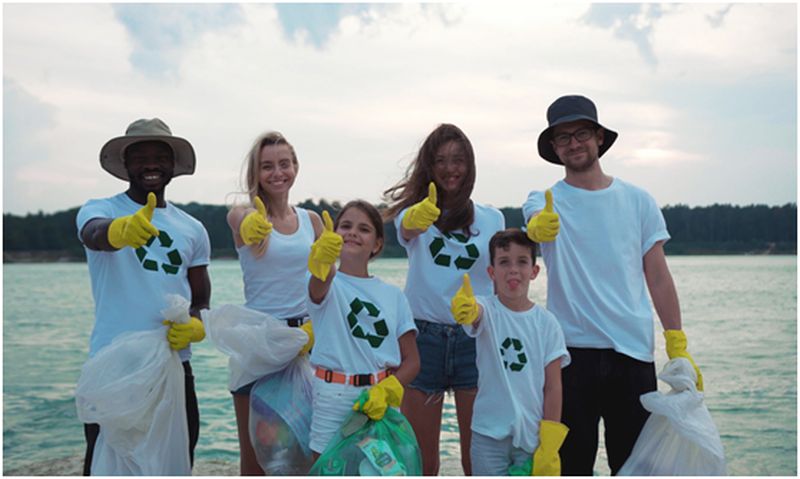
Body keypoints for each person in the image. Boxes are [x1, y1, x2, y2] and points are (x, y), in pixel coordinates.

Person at [522, 94, 703, 475]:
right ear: (554, 148)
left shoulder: (638, 200)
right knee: (571, 465)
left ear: (599, 137)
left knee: (636, 465)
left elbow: (657, 276)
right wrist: (537, 227)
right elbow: (534, 217)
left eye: (581, 133)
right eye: (563, 137)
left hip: (632, 354)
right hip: (569, 354)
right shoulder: (545, 199)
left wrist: (677, 342)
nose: (573, 143)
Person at [76, 118, 211, 475]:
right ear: (125, 166)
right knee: (105, 460)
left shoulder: (192, 228)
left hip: (174, 365)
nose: (151, 164)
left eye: (159, 156)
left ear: (172, 166)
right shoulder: (100, 209)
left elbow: (201, 299)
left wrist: (197, 327)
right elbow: (93, 234)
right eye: (140, 156)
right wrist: (119, 232)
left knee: (177, 459)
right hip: (114, 367)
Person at [383, 123, 505, 475]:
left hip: (475, 338)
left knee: (478, 459)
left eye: (458, 160)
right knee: (422, 462)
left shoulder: (492, 218)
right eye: (441, 161)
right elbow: (406, 229)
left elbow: (499, 280)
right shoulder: (414, 215)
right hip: (424, 341)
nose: (451, 169)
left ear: (470, 165)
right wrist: (419, 218)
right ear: (429, 168)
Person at [225, 131, 321, 475]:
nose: (277, 172)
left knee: (308, 450)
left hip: (307, 343)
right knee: (256, 458)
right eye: (267, 166)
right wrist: (252, 223)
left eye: (284, 163)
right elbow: (237, 221)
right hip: (261, 344)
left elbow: (330, 282)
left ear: (295, 167)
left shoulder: (312, 221)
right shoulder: (243, 215)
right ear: (256, 172)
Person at [305, 200, 420, 457]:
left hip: (379, 399)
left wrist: (387, 389)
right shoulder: (326, 281)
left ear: (377, 244)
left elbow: (412, 360)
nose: (353, 232)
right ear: (333, 235)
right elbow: (319, 285)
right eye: (345, 226)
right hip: (332, 396)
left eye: (364, 229)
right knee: (327, 468)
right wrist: (322, 262)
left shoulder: (394, 296)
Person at [450, 229, 570, 476]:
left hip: (532, 435)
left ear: (534, 271)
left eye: (522, 262)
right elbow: (475, 315)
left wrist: (550, 440)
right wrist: (468, 309)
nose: (513, 270)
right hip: (487, 435)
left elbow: (553, 386)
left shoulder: (547, 323)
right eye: (504, 262)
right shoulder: (486, 309)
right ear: (492, 273)